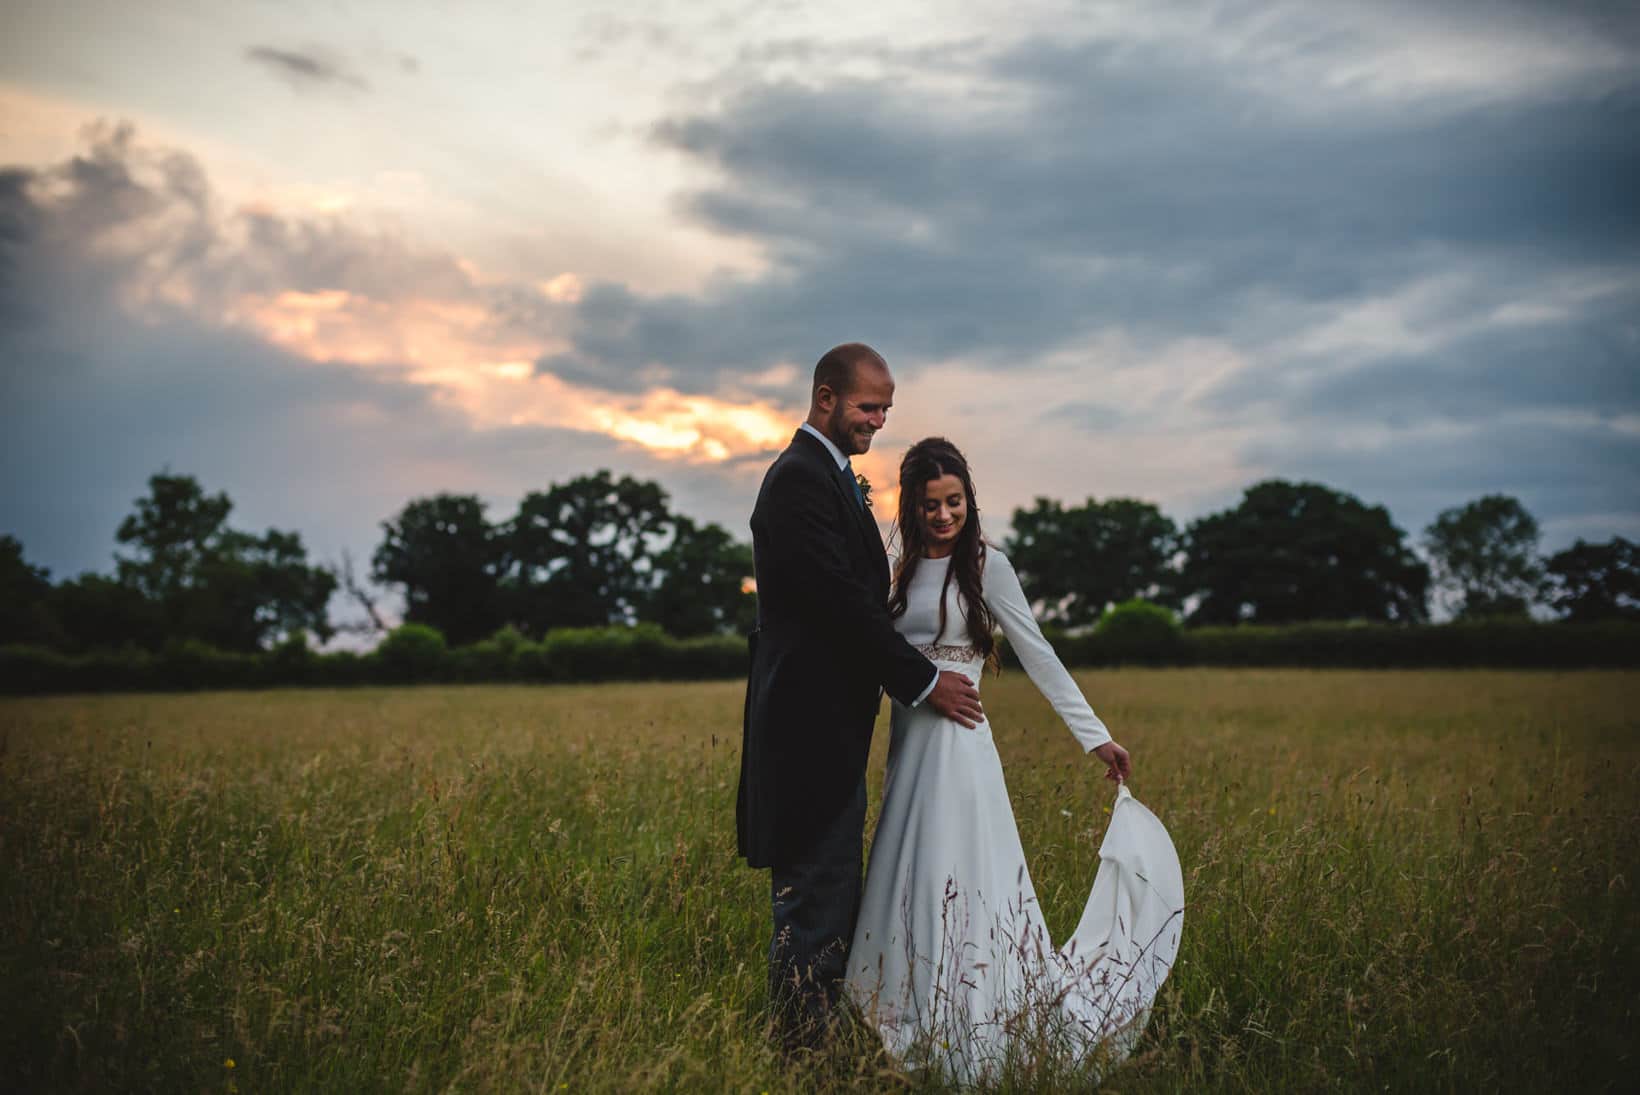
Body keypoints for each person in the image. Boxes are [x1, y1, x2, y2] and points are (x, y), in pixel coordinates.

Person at [845, 437, 1183, 1084]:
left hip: (962, 751)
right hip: (908, 747)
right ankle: (901, 1011)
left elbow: (1039, 652)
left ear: (969, 499)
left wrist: (1096, 736)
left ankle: (968, 1015)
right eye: (930, 505)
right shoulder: (893, 566)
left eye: (955, 501)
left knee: (961, 871)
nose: (944, 515)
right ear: (909, 506)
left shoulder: (987, 566)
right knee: (908, 874)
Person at [737, 344, 986, 1052]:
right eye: (867, 406)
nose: (877, 419)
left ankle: (817, 1042)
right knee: (814, 898)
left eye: (885, 408)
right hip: (806, 730)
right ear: (825, 397)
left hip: (833, 728)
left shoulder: (833, 475)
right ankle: (801, 1056)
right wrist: (925, 678)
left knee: (833, 889)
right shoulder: (797, 480)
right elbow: (842, 603)